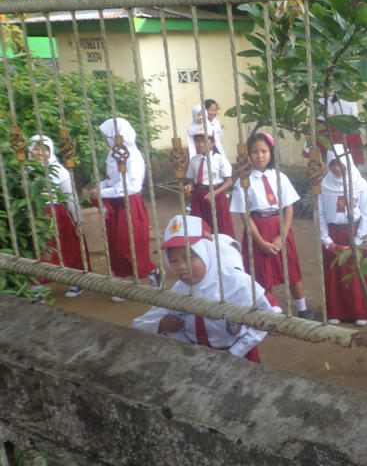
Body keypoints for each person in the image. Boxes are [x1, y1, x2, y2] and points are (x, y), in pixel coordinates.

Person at [131, 215, 274, 361]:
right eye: (173, 260)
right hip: (196, 357)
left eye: (188, 257)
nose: (180, 267)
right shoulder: (178, 291)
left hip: (240, 356)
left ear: (206, 252)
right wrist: (188, 348)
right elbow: (175, 325)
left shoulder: (237, 282)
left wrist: (235, 352)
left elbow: (268, 315)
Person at [229, 131, 313, 319]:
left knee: (291, 269)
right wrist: (260, 242)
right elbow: (245, 215)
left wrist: (282, 235)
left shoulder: (280, 177)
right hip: (258, 228)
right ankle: (270, 313)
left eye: (264, 151)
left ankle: (302, 309)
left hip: (280, 226)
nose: (260, 156)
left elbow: (289, 208)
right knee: (263, 274)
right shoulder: (244, 181)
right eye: (255, 152)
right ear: (248, 155)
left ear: (271, 153)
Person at [91, 117, 161, 298]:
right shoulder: (113, 155)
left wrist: (104, 193)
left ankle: (153, 272)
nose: (105, 140)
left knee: (130, 244)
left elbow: (131, 187)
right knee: (116, 244)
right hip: (116, 205)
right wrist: (99, 188)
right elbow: (111, 180)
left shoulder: (134, 156)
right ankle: (130, 280)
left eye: (107, 136)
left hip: (129, 205)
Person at [318, 144, 367, 326]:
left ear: (348, 163)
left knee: (355, 271)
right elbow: (319, 213)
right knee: (334, 273)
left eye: (340, 164)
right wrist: (326, 240)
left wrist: (359, 240)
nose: (337, 168)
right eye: (333, 164)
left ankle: (360, 311)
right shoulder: (324, 186)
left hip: (354, 232)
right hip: (333, 234)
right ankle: (336, 311)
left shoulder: (360, 184)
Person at [28, 135, 91, 297]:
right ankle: (37, 286)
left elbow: (70, 197)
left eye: (45, 149)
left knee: (68, 248)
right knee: (39, 251)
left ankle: (78, 281)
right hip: (36, 214)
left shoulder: (59, 170)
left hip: (56, 214)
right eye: (35, 148)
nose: (40, 153)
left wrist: (78, 221)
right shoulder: (26, 170)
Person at [184, 130, 234, 236]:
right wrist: (190, 186)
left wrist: (214, 193)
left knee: (219, 225)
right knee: (199, 224)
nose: (201, 144)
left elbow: (229, 182)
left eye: (204, 141)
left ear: (212, 143)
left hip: (216, 195)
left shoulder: (220, 159)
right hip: (198, 196)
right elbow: (193, 180)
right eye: (198, 141)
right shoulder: (194, 160)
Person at [316, 94, 364, 164]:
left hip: (335, 128)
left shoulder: (332, 99)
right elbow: (356, 117)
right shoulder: (352, 100)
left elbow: (330, 115)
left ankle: (331, 168)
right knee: (352, 154)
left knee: (332, 152)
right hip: (349, 129)